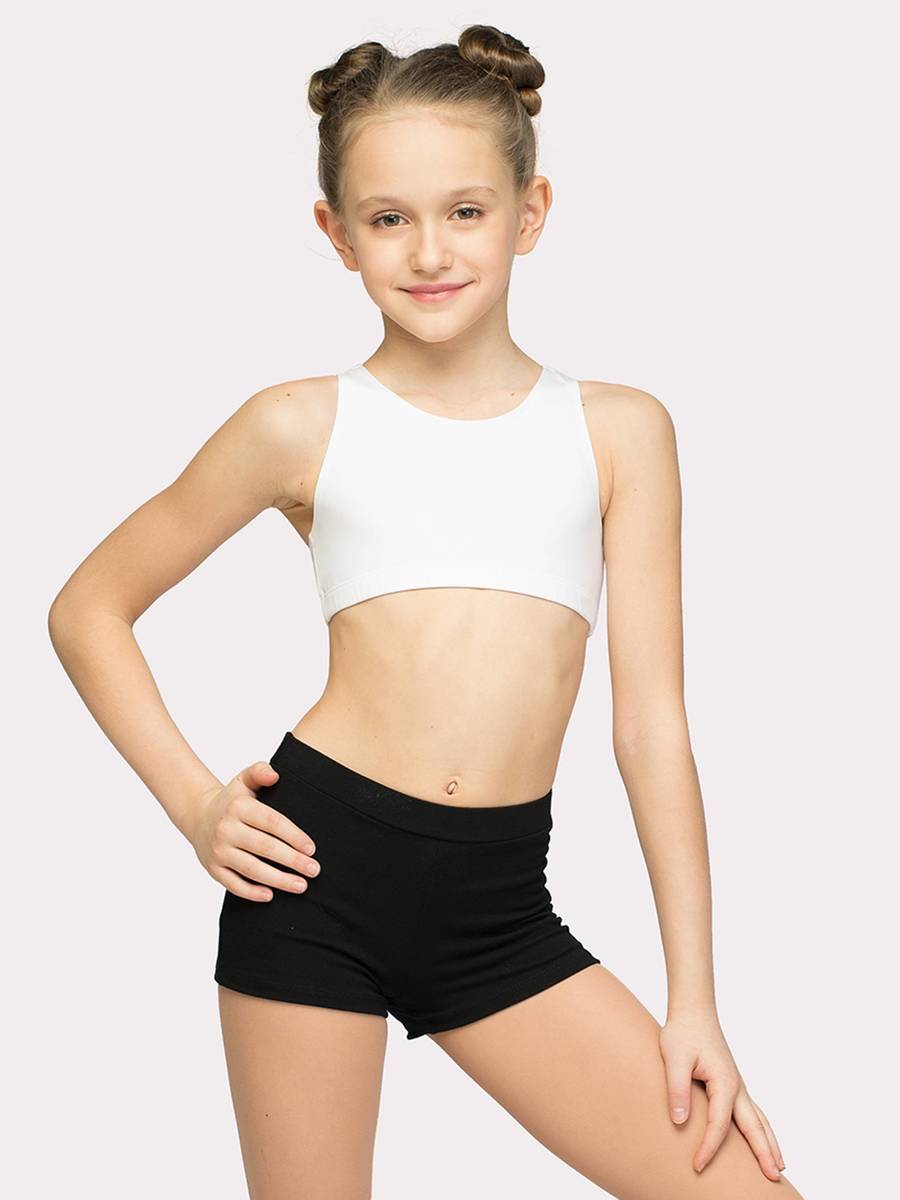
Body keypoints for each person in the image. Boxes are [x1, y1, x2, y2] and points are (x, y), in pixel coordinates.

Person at [48, 24, 805, 1200]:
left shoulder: (620, 431)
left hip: (499, 912)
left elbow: (651, 727)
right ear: (336, 233)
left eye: (465, 210)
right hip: (313, 882)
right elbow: (89, 606)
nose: (430, 250)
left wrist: (692, 1000)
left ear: (530, 212)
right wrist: (196, 804)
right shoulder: (298, 423)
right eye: (389, 217)